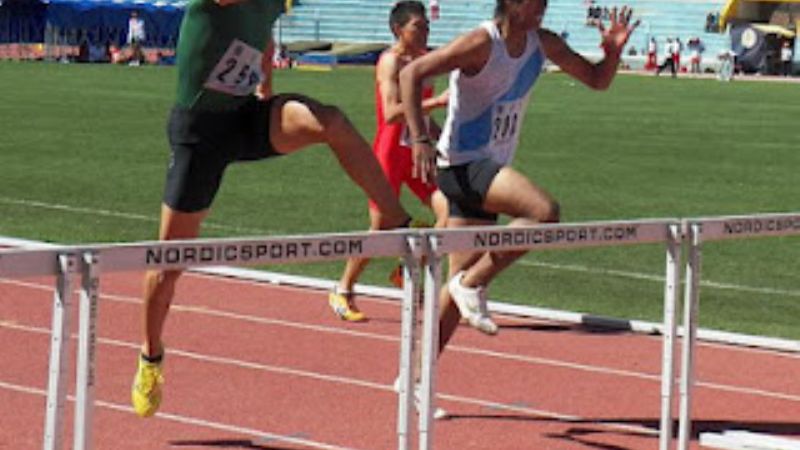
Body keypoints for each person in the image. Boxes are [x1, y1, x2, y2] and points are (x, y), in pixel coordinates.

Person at [131, 0, 412, 418]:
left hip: (246, 118)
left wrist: (265, 87)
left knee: (330, 121)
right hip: (200, 131)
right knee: (169, 263)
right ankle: (150, 357)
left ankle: (394, 216)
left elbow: (260, 36)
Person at [399, 0, 638, 345]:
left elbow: (598, 80)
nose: (543, 7)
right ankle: (471, 284)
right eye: (535, 2)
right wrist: (420, 137)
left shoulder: (544, 43)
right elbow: (411, 74)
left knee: (450, 301)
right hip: (462, 165)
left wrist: (613, 52)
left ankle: (415, 382)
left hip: (486, 169)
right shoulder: (481, 43)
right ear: (511, 4)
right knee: (543, 213)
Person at [329, 0, 449, 322]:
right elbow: (395, 112)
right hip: (389, 150)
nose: (425, 31)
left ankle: (404, 270)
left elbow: (420, 118)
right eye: (418, 26)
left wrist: (442, 139)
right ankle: (343, 290)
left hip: (416, 151)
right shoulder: (390, 62)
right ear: (399, 29)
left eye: (426, 25)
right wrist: (437, 102)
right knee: (380, 226)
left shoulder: (425, 61)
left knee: (448, 213)